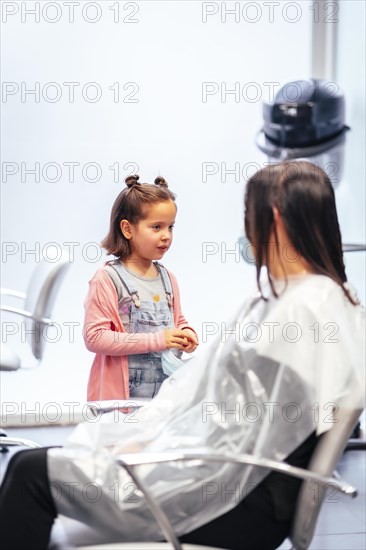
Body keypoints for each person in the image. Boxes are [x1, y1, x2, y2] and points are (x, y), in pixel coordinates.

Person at [0, 161, 364, 550]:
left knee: (28, 472)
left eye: (248, 216)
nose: (246, 229)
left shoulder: (300, 308)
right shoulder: (318, 300)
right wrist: (151, 433)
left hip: (227, 500)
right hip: (242, 492)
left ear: (272, 216)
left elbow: (246, 429)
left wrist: (156, 443)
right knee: (49, 464)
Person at [84, 174, 198, 401]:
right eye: (156, 227)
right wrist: (159, 340)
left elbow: (177, 320)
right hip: (122, 403)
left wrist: (186, 334)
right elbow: (95, 338)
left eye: (170, 227)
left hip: (162, 401)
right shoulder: (107, 278)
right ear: (127, 229)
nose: (166, 236)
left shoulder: (168, 278)